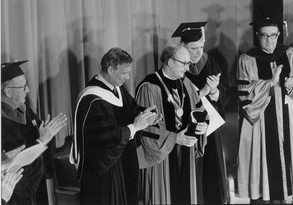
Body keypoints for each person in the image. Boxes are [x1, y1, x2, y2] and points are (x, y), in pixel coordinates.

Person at [69, 47, 160, 205]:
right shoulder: (92, 100)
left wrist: (146, 115)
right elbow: (106, 140)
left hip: (123, 163)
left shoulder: (117, 89)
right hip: (105, 174)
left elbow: (131, 110)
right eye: (124, 73)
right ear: (110, 69)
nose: (128, 77)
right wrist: (134, 127)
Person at [236, 17, 293, 203]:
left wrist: (291, 85)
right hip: (262, 118)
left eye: (273, 35)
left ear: (278, 35)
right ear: (257, 35)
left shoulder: (291, 54)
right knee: (264, 163)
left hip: (287, 116)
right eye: (264, 35)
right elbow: (244, 93)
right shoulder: (247, 59)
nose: (269, 40)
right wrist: (270, 84)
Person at [135, 45, 208, 205]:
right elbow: (146, 128)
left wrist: (203, 126)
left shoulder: (186, 83)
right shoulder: (150, 87)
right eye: (184, 63)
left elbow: (200, 110)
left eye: (189, 63)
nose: (188, 68)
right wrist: (174, 138)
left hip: (185, 152)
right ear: (169, 62)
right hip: (162, 157)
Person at [171, 22, 228, 204]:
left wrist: (214, 92)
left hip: (209, 126)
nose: (198, 53)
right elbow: (174, 98)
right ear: (182, 47)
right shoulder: (175, 65)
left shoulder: (209, 62)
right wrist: (203, 91)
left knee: (211, 172)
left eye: (201, 47)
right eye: (193, 48)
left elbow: (224, 94)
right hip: (187, 127)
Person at [1, 60, 68, 205]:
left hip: (37, 188)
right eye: (23, 87)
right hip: (17, 196)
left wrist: (47, 136)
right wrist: (41, 141)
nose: (28, 90)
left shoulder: (26, 111)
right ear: (7, 91)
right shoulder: (3, 124)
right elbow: (17, 167)